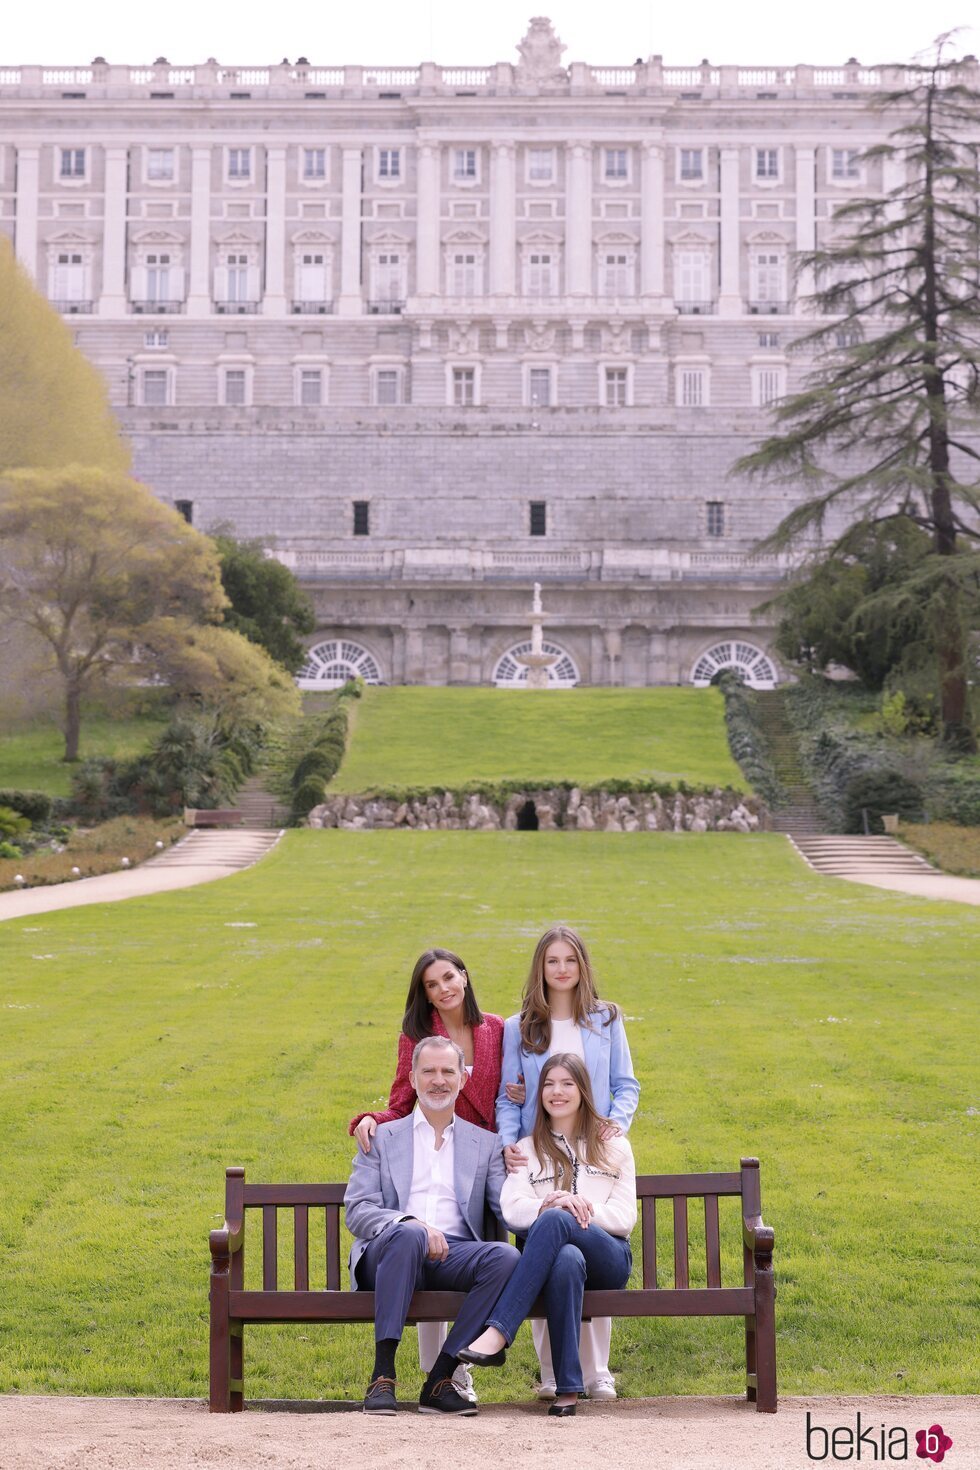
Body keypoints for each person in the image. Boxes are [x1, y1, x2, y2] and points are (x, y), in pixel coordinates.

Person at [348, 947, 520, 1400]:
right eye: (429, 1072)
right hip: (389, 1254)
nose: (439, 1080)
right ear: (414, 1075)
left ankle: (441, 1376)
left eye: (448, 1071)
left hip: (453, 1255)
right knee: (406, 1236)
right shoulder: (383, 1138)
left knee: (505, 1258)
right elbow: (358, 1211)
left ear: (463, 1077)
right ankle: (382, 1376)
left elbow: (505, 1204)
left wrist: (548, 1204)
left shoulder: (483, 1145)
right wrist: (411, 1225)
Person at [495, 924, 639, 1400]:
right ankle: (556, 1373)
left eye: (570, 960)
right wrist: (512, 1145)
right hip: (541, 1152)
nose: (561, 969)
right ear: (540, 967)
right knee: (557, 1248)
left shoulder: (605, 1019)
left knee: (573, 1229)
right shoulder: (519, 1027)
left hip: (593, 1150)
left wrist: (612, 1125)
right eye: (552, 961)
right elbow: (509, 1096)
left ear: (582, 966)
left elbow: (626, 1084)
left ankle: (594, 1370)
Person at [460, 1053, 637, 1417]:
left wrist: (578, 1207)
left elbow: (624, 1218)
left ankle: (498, 1332)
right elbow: (511, 1208)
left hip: (608, 1256)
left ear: (583, 1090)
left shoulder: (614, 1145)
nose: (557, 1092)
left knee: (559, 1217)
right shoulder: (527, 1150)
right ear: (539, 1093)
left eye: (567, 1083)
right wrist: (545, 1208)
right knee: (565, 1259)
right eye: (549, 1084)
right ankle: (567, 1390)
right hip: (555, 1260)